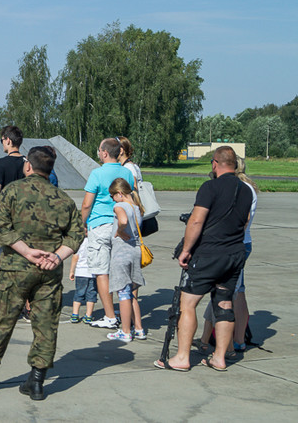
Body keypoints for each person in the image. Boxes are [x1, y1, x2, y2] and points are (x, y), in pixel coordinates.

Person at [0, 146, 85, 401]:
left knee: (3, 322)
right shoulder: (64, 199)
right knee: (46, 326)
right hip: (49, 272)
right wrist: (57, 256)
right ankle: (37, 382)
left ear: (28, 166)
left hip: (15, 270)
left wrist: (26, 251)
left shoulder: (12, 191)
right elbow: (77, 235)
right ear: (50, 169)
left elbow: (1, 226)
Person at [154, 146, 252, 372]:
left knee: (188, 303)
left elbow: (196, 221)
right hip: (234, 254)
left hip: (209, 253)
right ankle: (219, 358)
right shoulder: (246, 190)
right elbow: (245, 220)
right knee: (225, 303)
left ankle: (182, 357)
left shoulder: (210, 187)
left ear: (215, 163)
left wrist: (186, 249)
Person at [194, 155, 258, 354]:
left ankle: (229, 345)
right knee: (238, 292)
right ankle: (227, 340)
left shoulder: (238, 189)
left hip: (231, 244)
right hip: (242, 243)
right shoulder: (247, 189)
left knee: (226, 295)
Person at [81, 138, 135, 329]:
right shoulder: (127, 173)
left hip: (100, 225)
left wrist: (82, 223)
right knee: (120, 270)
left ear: (104, 153)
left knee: (101, 272)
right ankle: (127, 311)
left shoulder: (96, 173)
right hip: (122, 226)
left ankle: (110, 316)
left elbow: (87, 203)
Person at [0, 126, 27, 324]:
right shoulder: (28, 164)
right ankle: (27, 308)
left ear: (8, 140)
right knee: (24, 263)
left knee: (4, 265)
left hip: (5, 221)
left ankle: (2, 309)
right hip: (24, 221)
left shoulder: (0, 164)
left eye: (2, 140)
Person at [106, 178, 146, 342]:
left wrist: (119, 231)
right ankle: (139, 328)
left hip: (122, 252)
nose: (112, 199)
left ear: (120, 193)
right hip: (134, 252)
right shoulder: (136, 208)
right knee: (131, 293)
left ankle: (125, 331)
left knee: (123, 292)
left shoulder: (120, 206)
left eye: (112, 195)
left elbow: (122, 221)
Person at [68, 239, 96, 324]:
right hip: (93, 272)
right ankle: (88, 315)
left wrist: (72, 271)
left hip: (81, 272)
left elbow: (75, 257)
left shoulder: (80, 242)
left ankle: (75, 314)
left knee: (79, 293)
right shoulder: (94, 241)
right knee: (91, 293)